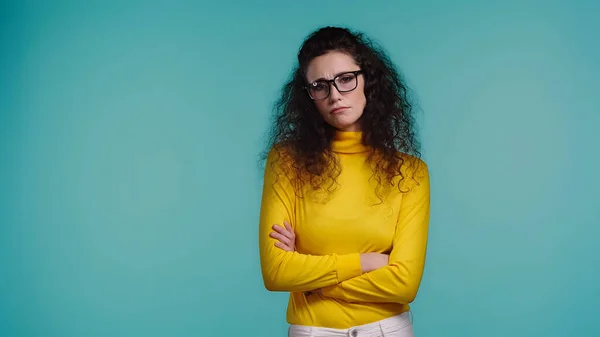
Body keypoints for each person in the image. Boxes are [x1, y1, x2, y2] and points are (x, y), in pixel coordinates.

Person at [258, 26, 430, 337]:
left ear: (368, 81)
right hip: (313, 331)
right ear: (309, 96)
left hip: (386, 331)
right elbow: (276, 272)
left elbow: (405, 283)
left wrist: (313, 283)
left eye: (346, 79)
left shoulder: (411, 172)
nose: (335, 94)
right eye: (319, 85)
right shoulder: (287, 161)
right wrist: (366, 261)